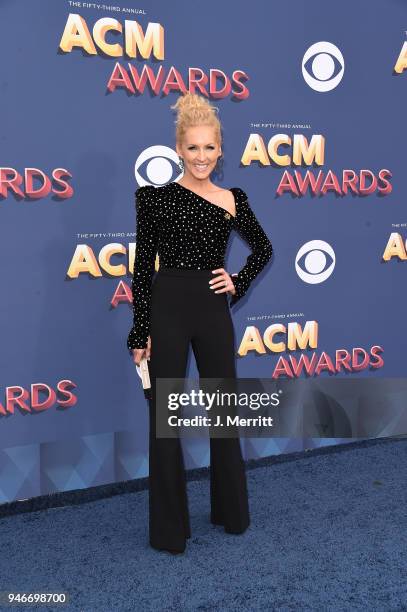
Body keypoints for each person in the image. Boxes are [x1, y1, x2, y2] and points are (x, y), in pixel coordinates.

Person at [127, 92, 273, 555]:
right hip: (168, 305)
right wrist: (140, 328)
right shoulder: (154, 199)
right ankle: (170, 531)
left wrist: (238, 281)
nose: (202, 157)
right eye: (193, 148)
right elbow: (141, 268)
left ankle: (231, 513)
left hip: (213, 311)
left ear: (221, 150)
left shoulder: (233, 199)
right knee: (165, 421)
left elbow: (264, 249)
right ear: (178, 150)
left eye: (210, 148)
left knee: (223, 411)